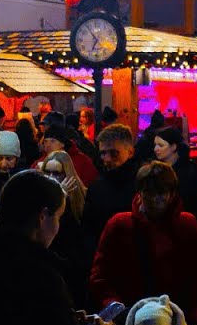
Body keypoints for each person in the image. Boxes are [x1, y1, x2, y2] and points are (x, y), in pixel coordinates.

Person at [0, 170, 114, 325]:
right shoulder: (40, 276)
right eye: (58, 217)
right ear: (43, 217)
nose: (58, 227)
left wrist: (67, 320)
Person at [90, 161, 197, 325]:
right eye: (148, 193)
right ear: (139, 192)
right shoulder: (120, 225)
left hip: (177, 323)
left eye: (160, 193)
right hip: (129, 323)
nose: (154, 199)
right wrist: (119, 312)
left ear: (171, 194)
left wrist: (194, 319)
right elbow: (100, 276)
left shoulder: (187, 225)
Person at [82, 125, 142, 261]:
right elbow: (88, 228)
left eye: (114, 153)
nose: (107, 159)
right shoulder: (96, 186)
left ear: (130, 152)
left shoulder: (142, 183)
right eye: (103, 153)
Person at [41, 151, 92, 308]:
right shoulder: (41, 201)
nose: (51, 178)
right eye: (47, 172)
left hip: (73, 271)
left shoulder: (82, 198)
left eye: (57, 173)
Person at [152, 127, 197, 237]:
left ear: (173, 147)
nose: (155, 149)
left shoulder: (191, 170)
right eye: (155, 145)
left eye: (160, 145)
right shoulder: (156, 170)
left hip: (187, 229)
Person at [36, 124, 101, 187]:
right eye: (45, 141)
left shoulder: (82, 161)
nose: (47, 145)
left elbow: (92, 184)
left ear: (63, 144)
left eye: (52, 141)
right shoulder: (39, 162)